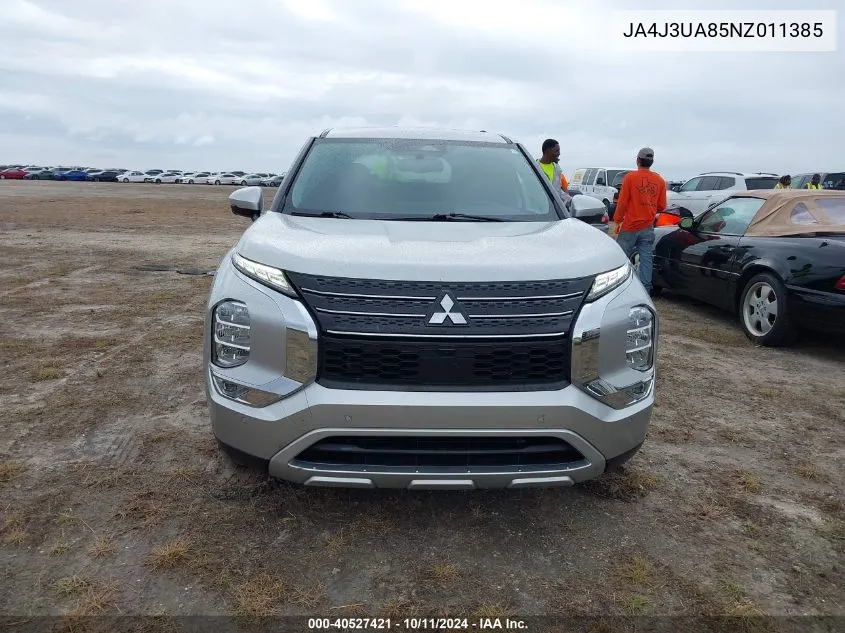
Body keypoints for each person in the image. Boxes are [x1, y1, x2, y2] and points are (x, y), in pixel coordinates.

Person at [612, 147, 667, 294]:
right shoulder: (660, 180)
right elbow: (662, 206)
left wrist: (617, 219)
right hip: (647, 226)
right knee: (646, 259)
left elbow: (622, 202)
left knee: (620, 259)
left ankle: (619, 288)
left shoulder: (630, 178)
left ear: (638, 160)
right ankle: (645, 290)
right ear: (652, 162)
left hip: (630, 226)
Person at [537, 139, 573, 210]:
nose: (559, 153)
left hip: (555, 212)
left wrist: (571, 201)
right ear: (547, 151)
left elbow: (557, 192)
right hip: (539, 211)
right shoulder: (534, 168)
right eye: (556, 151)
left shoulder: (557, 169)